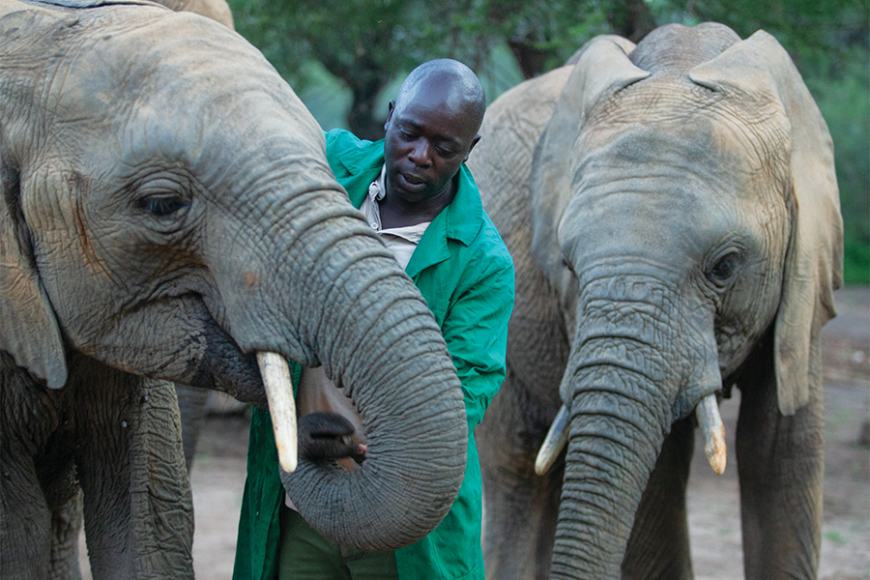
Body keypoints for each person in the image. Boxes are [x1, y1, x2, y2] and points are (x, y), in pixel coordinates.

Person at [234, 58, 514, 580]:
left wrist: (356, 444)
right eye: (409, 133)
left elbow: (460, 401)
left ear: (470, 150)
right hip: (298, 500)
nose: (419, 156)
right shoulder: (328, 168)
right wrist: (293, 431)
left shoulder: (482, 262)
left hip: (405, 518)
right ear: (390, 116)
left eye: (444, 148)